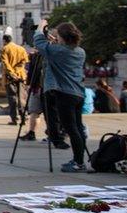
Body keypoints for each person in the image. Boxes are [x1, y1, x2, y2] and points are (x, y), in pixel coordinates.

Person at [34, 20, 88, 172]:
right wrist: (55, 42)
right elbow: (59, 51)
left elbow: (39, 43)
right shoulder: (80, 51)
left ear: (62, 37)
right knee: (78, 127)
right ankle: (79, 159)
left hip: (64, 94)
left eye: (57, 35)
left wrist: (40, 27)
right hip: (78, 93)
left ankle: (78, 162)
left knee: (71, 129)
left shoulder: (58, 51)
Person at [0, 35, 28, 125]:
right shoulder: (21, 49)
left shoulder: (4, 49)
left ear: (4, 40)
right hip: (21, 76)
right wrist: (17, 71)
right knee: (22, 97)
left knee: (12, 97)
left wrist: (12, 73)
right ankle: (24, 117)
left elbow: (5, 63)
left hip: (10, 77)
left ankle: (14, 118)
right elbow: (24, 61)